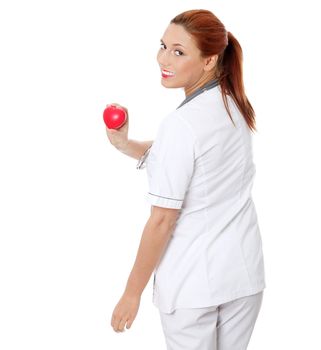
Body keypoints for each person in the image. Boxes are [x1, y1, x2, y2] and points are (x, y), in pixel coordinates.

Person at [106, 9, 266, 350]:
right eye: (163, 46)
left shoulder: (181, 125)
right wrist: (125, 145)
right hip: (242, 278)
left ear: (208, 61)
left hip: (194, 286)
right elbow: (192, 161)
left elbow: (162, 220)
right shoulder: (234, 104)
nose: (163, 58)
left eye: (179, 52)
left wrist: (131, 293)